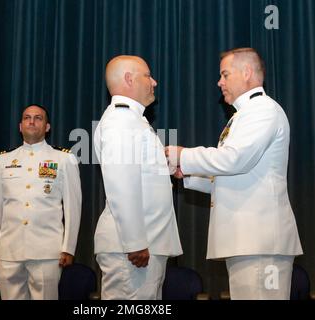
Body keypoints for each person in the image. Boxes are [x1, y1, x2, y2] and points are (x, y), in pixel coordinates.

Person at [166, 48, 303, 300]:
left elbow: (234, 160)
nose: (219, 82)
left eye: (225, 74)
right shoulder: (245, 114)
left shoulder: (262, 110)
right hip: (250, 240)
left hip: (260, 240)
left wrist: (182, 154)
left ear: (247, 73)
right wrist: (187, 174)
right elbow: (234, 174)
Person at [93, 55, 183, 300]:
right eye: (147, 76)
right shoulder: (121, 120)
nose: (154, 82)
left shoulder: (134, 120)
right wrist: (134, 241)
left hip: (145, 241)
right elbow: (121, 184)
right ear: (129, 79)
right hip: (132, 246)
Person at [0, 104, 82, 300]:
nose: (31, 121)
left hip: (47, 251)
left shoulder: (64, 159)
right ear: (20, 126)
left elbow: (74, 207)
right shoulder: (3, 160)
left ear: (47, 127)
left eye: (38, 118)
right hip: (9, 251)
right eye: (27, 118)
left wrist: (68, 248)